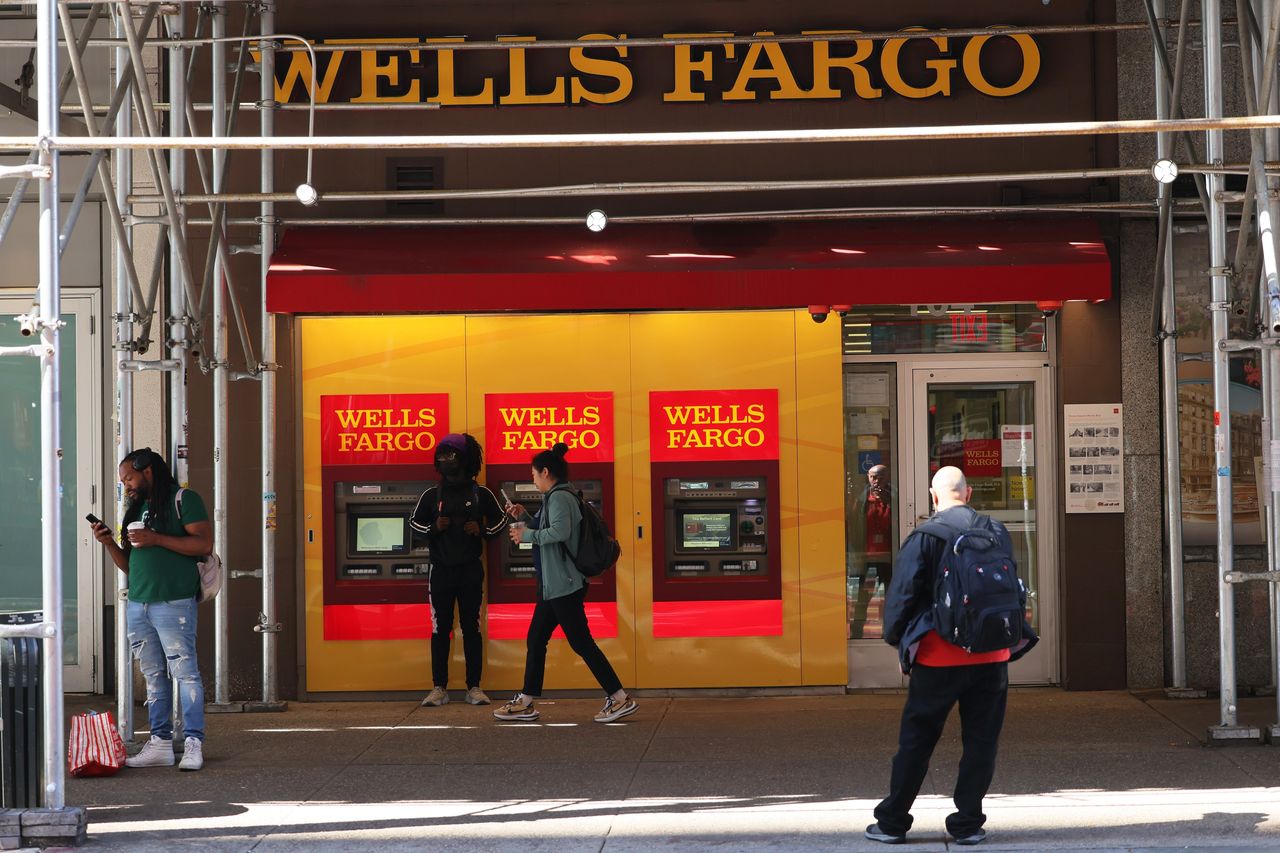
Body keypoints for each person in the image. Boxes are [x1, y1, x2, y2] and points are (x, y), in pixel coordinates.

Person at [865, 466, 1037, 847]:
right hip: (991, 655)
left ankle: (893, 822)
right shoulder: (996, 531)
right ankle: (968, 824)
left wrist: (897, 641)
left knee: (917, 740)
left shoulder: (925, 537)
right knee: (981, 742)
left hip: (937, 657)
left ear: (933, 496)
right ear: (969, 493)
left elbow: (902, 597)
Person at [493, 443, 637, 724]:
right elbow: (548, 528)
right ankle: (526, 701)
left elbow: (559, 532)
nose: (533, 479)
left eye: (534, 474)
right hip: (554, 584)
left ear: (546, 472)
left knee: (581, 643)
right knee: (537, 639)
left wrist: (526, 536)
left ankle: (620, 698)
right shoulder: (556, 496)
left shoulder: (559, 497)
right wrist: (524, 517)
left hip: (564, 584)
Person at [90, 448, 211, 771]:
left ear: (147, 470)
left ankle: (193, 742)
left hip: (174, 601)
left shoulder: (184, 499)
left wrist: (155, 538)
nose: (126, 486)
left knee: (185, 672)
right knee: (153, 675)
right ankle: (159, 742)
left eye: (129, 478)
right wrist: (109, 543)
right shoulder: (136, 509)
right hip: (138, 602)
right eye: (123, 481)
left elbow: (203, 544)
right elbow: (131, 566)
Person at [410, 433, 506, 707]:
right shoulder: (431, 495)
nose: (445, 460)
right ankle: (439, 688)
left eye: (450, 455)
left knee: (471, 628)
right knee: (440, 629)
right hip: (440, 571)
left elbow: (501, 521)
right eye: (441, 456)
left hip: (470, 570)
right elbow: (413, 524)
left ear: (464, 459)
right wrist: (433, 528)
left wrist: (483, 530)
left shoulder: (481, 493)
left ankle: (474, 688)